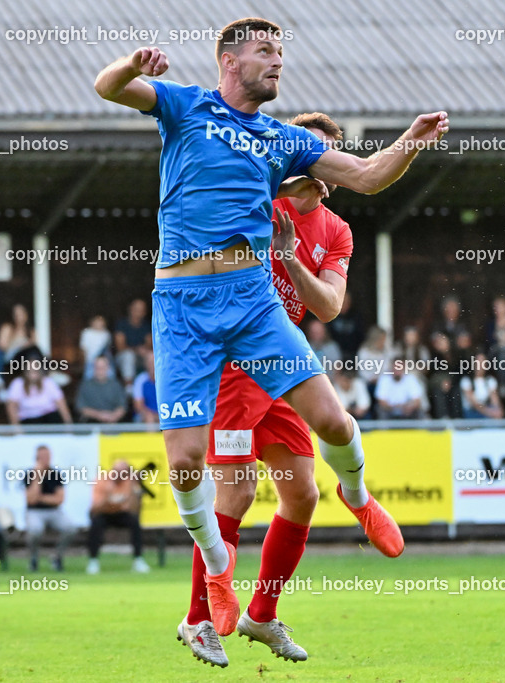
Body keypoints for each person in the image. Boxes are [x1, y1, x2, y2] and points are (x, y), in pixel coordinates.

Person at [96, 17, 447, 654]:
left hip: (253, 303)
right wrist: (131, 66)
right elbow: (106, 87)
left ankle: (359, 496)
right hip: (183, 306)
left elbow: (366, 176)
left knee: (335, 426)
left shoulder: (281, 139)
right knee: (183, 464)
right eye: (266, 51)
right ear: (229, 60)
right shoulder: (187, 106)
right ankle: (219, 580)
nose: (277, 61)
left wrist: (412, 141)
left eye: (281, 52)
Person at [179, 113, 406, 666]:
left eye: (328, 157)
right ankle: (197, 622)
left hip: (283, 366)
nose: (322, 170)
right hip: (235, 364)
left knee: (302, 493)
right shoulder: (259, 201)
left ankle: (261, 614)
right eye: (312, 156)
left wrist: (289, 262)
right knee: (235, 493)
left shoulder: (335, 229)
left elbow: (328, 305)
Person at [86, 460, 149, 575]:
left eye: (123, 473)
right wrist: (108, 495)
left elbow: (134, 509)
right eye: (117, 472)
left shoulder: (129, 483)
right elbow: (94, 509)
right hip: (104, 512)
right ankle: (93, 560)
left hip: (120, 514)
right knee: (96, 523)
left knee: (134, 522)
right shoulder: (102, 481)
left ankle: (138, 559)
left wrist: (134, 489)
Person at [24, 445, 73, 572]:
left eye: (47, 456)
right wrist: (37, 477)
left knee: (70, 528)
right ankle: (34, 558)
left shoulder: (55, 474)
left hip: (54, 511)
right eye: (42, 456)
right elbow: (30, 499)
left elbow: (59, 499)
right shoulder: (30, 474)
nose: (46, 459)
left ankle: (57, 556)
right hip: (35, 511)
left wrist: (40, 497)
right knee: (35, 530)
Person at [6, 364, 72, 425]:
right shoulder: (18, 383)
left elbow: (61, 403)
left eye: (35, 371)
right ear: (25, 372)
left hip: (49, 417)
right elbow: (11, 406)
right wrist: (16, 428)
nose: (32, 374)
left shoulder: (48, 382)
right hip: (28, 419)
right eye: (29, 371)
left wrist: (69, 425)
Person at [77, 357, 129, 423]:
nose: (100, 370)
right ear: (93, 368)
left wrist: (113, 416)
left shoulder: (116, 385)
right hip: (91, 423)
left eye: (102, 367)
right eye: (97, 367)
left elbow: (123, 406)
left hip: (113, 424)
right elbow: (81, 408)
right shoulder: (85, 385)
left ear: (108, 368)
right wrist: (99, 415)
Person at [459, 354, 504, 419]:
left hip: (487, 411)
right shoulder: (466, 381)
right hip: (472, 412)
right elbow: (474, 403)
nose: (480, 366)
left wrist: (498, 411)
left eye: (483, 363)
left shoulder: (490, 380)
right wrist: (489, 412)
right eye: (478, 363)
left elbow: (495, 399)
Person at [79, 315, 112, 380]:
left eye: (101, 322)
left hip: (103, 360)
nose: (99, 324)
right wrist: (84, 361)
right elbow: (83, 348)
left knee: (110, 374)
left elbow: (107, 348)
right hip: (90, 360)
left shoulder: (106, 333)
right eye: (97, 322)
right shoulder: (87, 332)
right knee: (88, 376)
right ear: (92, 323)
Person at [132, 351, 159, 423]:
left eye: (154, 361)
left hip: (164, 412)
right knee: (149, 417)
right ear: (145, 364)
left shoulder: (166, 379)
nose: (152, 365)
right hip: (147, 414)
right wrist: (151, 414)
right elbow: (138, 406)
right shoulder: (140, 380)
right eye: (150, 362)